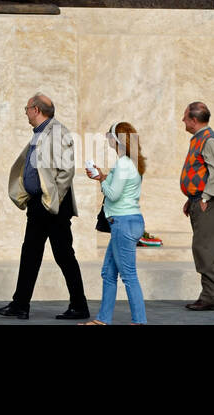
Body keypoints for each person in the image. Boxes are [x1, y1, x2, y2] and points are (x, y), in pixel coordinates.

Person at [0, 92, 89, 320]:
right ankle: (20, 304)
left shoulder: (57, 132)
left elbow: (66, 171)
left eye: (26, 108)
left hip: (52, 205)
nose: (25, 113)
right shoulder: (40, 134)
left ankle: (79, 306)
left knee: (63, 254)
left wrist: (51, 200)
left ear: (36, 110)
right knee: (30, 253)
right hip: (40, 204)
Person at [83, 122, 147, 325]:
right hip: (128, 221)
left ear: (117, 139)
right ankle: (102, 320)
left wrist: (102, 182)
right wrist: (101, 176)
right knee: (108, 273)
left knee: (128, 276)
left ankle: (139, 321)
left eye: (109, 134)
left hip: (123, 222)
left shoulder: (124, 163)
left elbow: (113, 194)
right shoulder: (132, 162)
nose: (106, 137)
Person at [180, 101, 214, 310]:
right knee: (203, 247)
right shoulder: (199, 139)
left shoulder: (208, 140)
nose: (183, 120)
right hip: (199, 200)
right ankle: (210, 295)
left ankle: (212, 297)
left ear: (194, 120)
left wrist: (205, 197)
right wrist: (192, 199)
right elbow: (199, 172)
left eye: (185, 117)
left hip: (208, 201)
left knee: (206, 248)